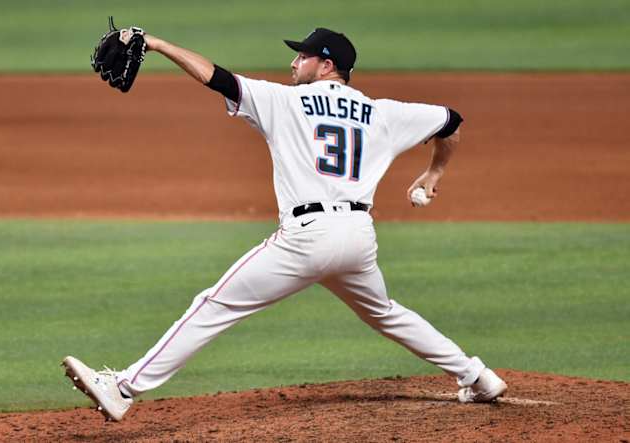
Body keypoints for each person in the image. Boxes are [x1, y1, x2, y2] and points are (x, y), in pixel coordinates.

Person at [63, 27, 507, 422]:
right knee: (386, 313)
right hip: (357, 240)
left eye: (302, 56)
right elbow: (451, 120)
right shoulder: (383, 112)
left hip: (306, 239)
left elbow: (214, 76)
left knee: (214, 305)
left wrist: (156, 44)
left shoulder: (285, 100)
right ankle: (477, 375)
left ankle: (121, 389)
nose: (293, 63)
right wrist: (434, 174)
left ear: (326, 64)